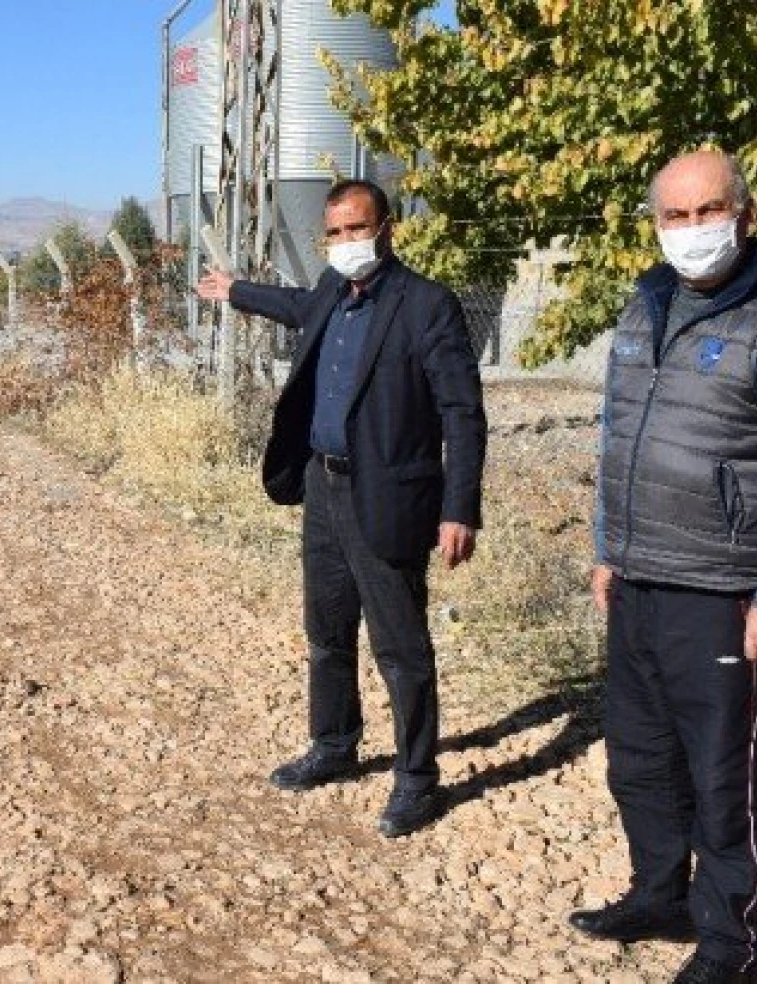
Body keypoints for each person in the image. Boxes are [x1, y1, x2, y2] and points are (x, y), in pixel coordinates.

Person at [571, 149, 757, 984]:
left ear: (747, 214)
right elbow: (619, 432)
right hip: (639, 578)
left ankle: (730, 941)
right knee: (640, 758)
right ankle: (658, 893)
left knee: (729, 775)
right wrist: (607, 548)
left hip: (726, 593)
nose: (692, 232)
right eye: (674, 216)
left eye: (708, 212)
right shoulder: (646, 300)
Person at [196, 179, 486, 838]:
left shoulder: (426, 306)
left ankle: (417, 779)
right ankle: (333, 745)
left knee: (400, 647)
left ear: (388, 230)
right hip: (324, 489)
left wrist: (459, 506)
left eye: (357, 229)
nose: (346, 243)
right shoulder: (332, 291)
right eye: (335, 232)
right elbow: (298, 306)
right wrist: (236, 290)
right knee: (328, 633)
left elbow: (462, 413)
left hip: (388, 497)